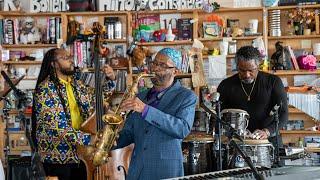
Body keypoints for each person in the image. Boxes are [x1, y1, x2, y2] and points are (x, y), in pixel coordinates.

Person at [31, 48, 115, 180]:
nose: (71, 60)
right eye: (65, 58)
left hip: (79, 154)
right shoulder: (45, 90)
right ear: (54, 64)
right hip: (57, 158)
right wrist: (91, 139)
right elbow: (59, 129)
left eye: (70, 57)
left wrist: (111, 79)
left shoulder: (76, 84)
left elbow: (98, 100)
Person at [113, 48, 198, 179]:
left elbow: (181, 129)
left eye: (162, 65)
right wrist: (111, 138)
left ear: (175, 71)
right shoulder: (141, 96)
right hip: (137, 172)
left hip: (165, 172)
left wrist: (145, 110)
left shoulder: (186, 96)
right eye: (154, 63)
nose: (155, 68)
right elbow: (129, 133)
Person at [217, 46, 288, 143]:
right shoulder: (226, 85)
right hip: (238, 141)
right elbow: (220, 115)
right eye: (242, 70)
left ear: (258, 65)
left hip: (269, 140)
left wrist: (267, 131)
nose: (247, 75)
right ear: (237, 66)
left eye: (251, 70)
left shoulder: (273, 82)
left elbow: (283, 113)